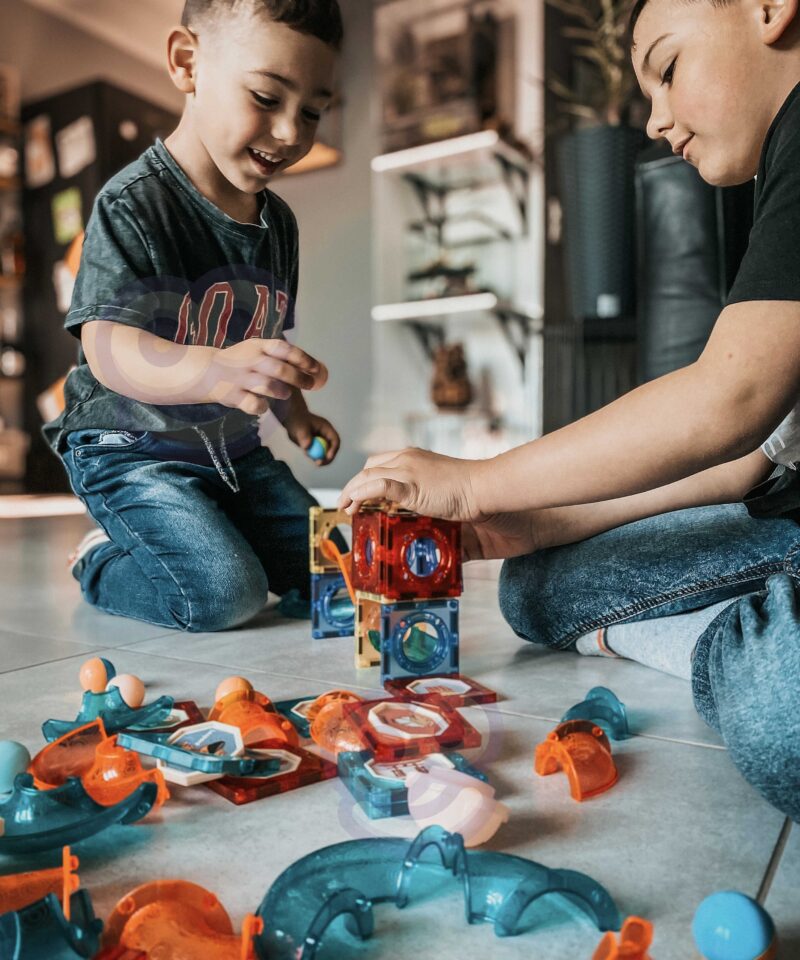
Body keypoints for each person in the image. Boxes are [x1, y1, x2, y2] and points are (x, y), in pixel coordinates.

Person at [339, 0, 800, 821]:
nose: (657, 120)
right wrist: (533, 518)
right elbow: (747, 459)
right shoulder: (769, 180)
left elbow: (728, 397)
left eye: (666, 67)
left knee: (782, 714)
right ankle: (756, 630)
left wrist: (479, 483)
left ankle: (755, 646)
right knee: (536, 587)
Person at [45, 0, 344, 632]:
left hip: (228, 449)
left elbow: (265, 343)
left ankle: (213, 529)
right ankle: (104, 559)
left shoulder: (277, 223)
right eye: (267, 96)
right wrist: (208, 372)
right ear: (187, 63)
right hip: (129, 446)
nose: (291, 131)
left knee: (334, 570)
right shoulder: (133, 203)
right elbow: (107, 347)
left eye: (312, 111)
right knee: (223, 596)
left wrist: (299, 416)